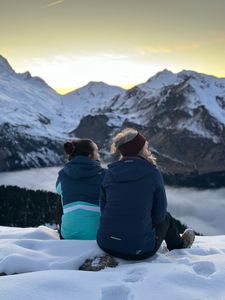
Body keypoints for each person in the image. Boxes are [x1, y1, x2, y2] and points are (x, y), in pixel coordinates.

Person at [97, 128, 195, 260]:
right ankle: (179, 246)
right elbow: (159, 216)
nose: (148, 149)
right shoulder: (152, 173)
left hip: (106, 243)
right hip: (140, 249)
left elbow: (103, 208)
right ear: (139, 149)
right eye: (146, 146)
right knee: (167, 218)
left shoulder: (109, 173)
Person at [56, 138, 106, 240]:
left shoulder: (63, 174)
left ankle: (65, 228)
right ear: (89, 156)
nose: (99, 155)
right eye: (96, 152)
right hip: (98, 233)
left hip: (68, 234)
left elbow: (58, 190)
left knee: (61, 195)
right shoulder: (104, 174)